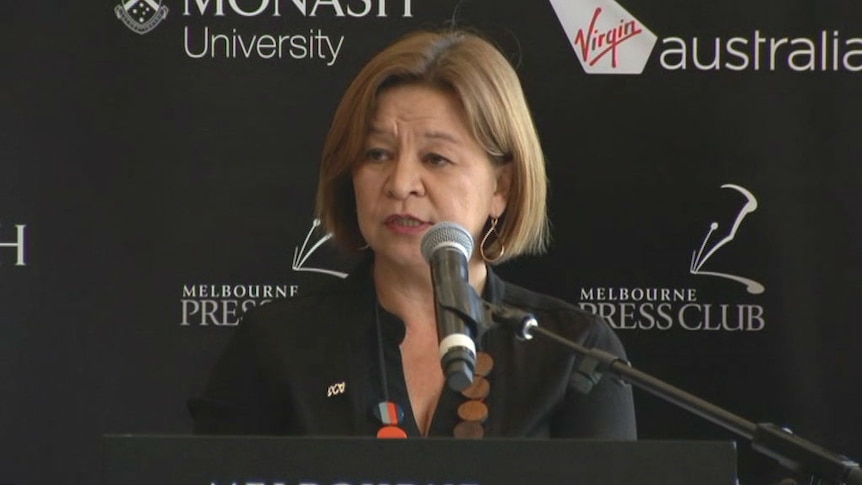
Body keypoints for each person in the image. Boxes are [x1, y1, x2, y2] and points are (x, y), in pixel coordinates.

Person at [189, 29, 636, 439]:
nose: (401, 183)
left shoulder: (574, 353)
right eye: (378, 154)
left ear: (501, 187)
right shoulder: (279, 343)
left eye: (436, 158)